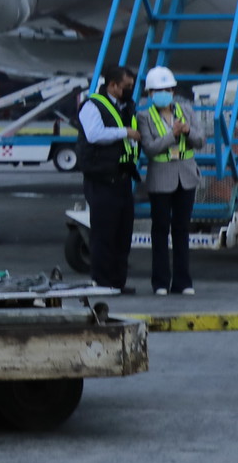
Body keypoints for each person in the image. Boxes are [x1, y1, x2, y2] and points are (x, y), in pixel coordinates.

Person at [136, 66, 205, 296]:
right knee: (160, 229)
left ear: (173, 90)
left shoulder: (186, 110)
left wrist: (186, 132)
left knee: (182, 229)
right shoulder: (144, 116)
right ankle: (160, 282)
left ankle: (183, 282)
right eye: (157, 90)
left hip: (186, 176)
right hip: (161, 178)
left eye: (166, 89)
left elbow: (200, 140)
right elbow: (150, 148)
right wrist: (172, 135)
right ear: (149, 94)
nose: (162, 93)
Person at [77, 64, 139, 292]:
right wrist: (125, 132)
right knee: (103, 233)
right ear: (112, 85)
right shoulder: (92, 106)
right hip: (102, 179)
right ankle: (102, 282)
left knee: (123, 234)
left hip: (123, 178)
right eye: (126, 86)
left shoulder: (126, 106)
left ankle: (117, 282)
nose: (130, 90)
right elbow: (94, 135)